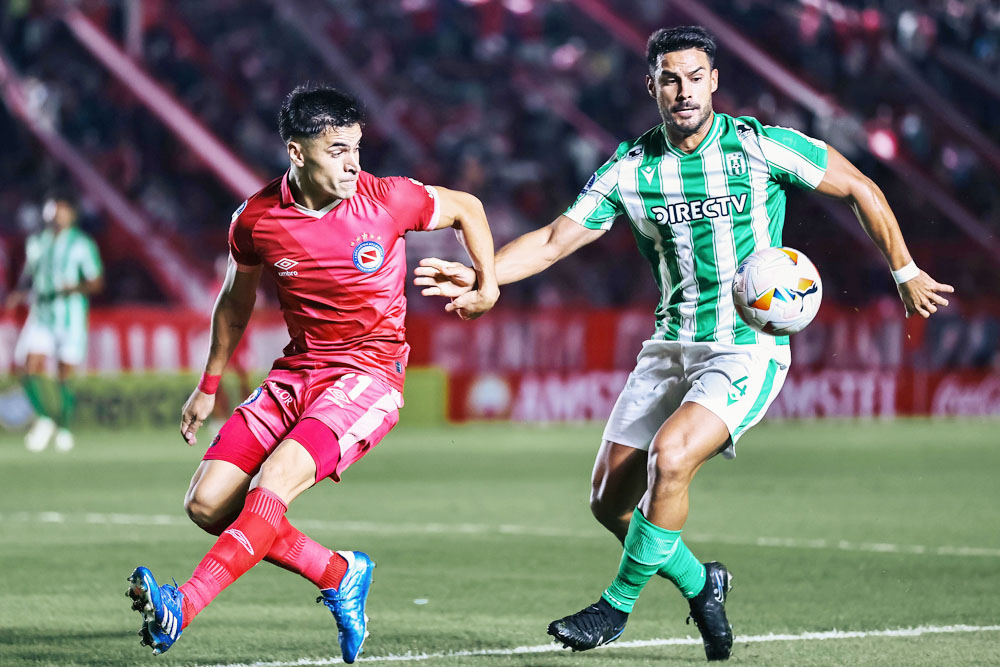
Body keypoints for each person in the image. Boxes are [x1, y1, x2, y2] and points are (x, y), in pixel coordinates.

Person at [414, 26, 953, 662]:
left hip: (745, 347)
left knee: (670, 460)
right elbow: (557, 239)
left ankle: (614, 609)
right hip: (670, 345)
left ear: (715, 82)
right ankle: (704, 584)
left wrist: (904, 269)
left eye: (696, 77)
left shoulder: (759, 147)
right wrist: (484, 274)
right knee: (609, 502)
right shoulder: (631, 168)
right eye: (670, 79)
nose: (684, 91)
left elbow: (860, 186)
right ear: (652, 86)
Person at [126, 84, 499, 661]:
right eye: (335, 150)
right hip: (296, 375)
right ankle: (337, 571)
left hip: (369, 376)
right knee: (207, 504)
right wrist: (207, 384)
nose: (352, 163)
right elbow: (234, 301)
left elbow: (467, 207)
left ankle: (184, 604)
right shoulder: (255, 220)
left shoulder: (389, 198)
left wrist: (487, 285)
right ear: (297, 153)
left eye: (355, 147)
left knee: (270, 488)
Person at [7, 194, 103, 452]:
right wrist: (18, 293)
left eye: (60, 211)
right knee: (27, 368)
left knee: (64, 374)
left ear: (70, 214)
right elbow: (29, 276)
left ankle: (64, 427)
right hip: (41, 313)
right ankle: (47, 417)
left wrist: (74, 287)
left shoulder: (82, 244)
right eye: (52, 211)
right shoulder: (37, 242)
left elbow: (96, 282)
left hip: (69, 316)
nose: (56, 216)